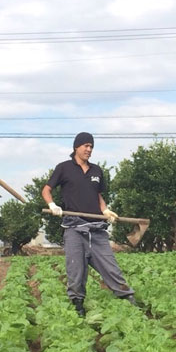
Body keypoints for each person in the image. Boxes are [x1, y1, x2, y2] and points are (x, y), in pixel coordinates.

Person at [41, 132, 136, 316]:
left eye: (91, 146)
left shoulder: (97, 171)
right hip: (74, 228)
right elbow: (46, 189)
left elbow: (98, 195)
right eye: (86, 146)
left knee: (111, 267)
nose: (89, 149)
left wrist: (105, 210)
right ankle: (77, 304)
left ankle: (127, 297)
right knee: (75, 269)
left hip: (97, 229)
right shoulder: (64, 168)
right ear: (76, 147)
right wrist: (52, 205)